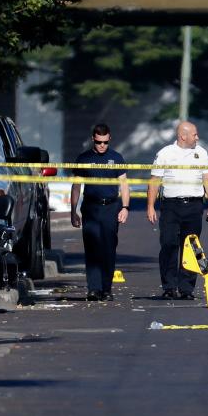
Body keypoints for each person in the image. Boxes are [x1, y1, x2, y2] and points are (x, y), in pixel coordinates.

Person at [147, 121, 208, 300]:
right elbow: (154, 181)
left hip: (194, 205)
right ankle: (169, 287)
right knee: (168, 244)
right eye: (194, 134)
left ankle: (186, 289)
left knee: (192, 247)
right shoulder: (165, 153)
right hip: (171, 206)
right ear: (183, 136)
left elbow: (207, 179)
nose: (197, 137)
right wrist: (150, 206)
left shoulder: (201, 153)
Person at [70, 124, 130, 302]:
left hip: (111, 207)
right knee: (92, 248)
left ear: (109, 139)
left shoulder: (116, 158)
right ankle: (94, 289)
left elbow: (124, 185)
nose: (102, 145)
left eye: (105, 142)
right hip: (91, 207)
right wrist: (73, 211)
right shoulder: (84, 158)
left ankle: (106, 288)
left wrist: (125, 207)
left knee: (109, 248)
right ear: (93, 139)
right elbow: (76, 186)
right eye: (98, 142)